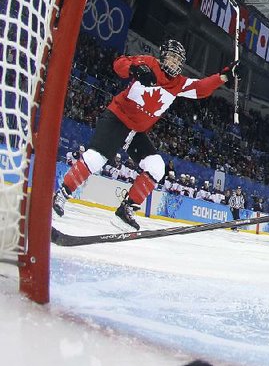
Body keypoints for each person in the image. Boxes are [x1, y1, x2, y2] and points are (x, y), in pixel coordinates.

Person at [52, 39, 238, 230]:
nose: (173, 63)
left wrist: (223, 77)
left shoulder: (179, 84)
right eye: (171, 58)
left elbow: (200, 88)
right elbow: (119, 63)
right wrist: (135, 69)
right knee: (95, 159)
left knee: (157, 167)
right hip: (117, 118)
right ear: (163, 56)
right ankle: (61, 195)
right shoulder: (149, 62)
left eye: (177, 60)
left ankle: (126, 210)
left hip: (136, 132)